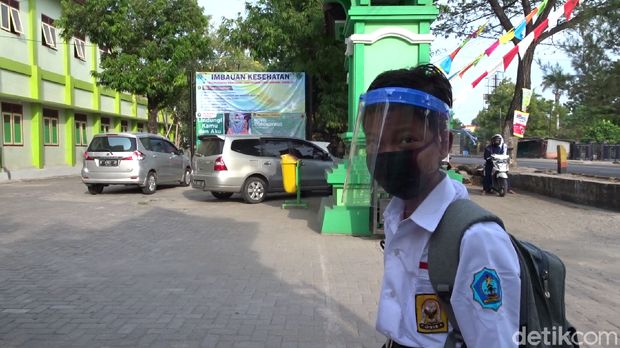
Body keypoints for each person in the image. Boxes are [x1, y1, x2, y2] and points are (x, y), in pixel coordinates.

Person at [356, 64, 520, 348]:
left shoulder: (476, 239)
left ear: (444, 142)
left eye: (407, 139)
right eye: (374, 142)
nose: (387, 153)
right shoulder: (398, 215)